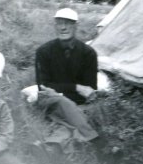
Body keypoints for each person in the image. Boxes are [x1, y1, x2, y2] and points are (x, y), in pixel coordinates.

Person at [34, 8, 99, 149]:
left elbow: (90, 90)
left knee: (70, 115)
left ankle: (50, 146)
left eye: (68, 23)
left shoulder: (88, 53)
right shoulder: (43, 52)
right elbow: (44, 87)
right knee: (63, 102)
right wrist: (75, 87)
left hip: (78, 103)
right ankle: (95, 139)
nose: (63, 27)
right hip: (51, 101)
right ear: (54, 26)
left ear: (76, 26)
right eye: (59, 23)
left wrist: (62, 90)